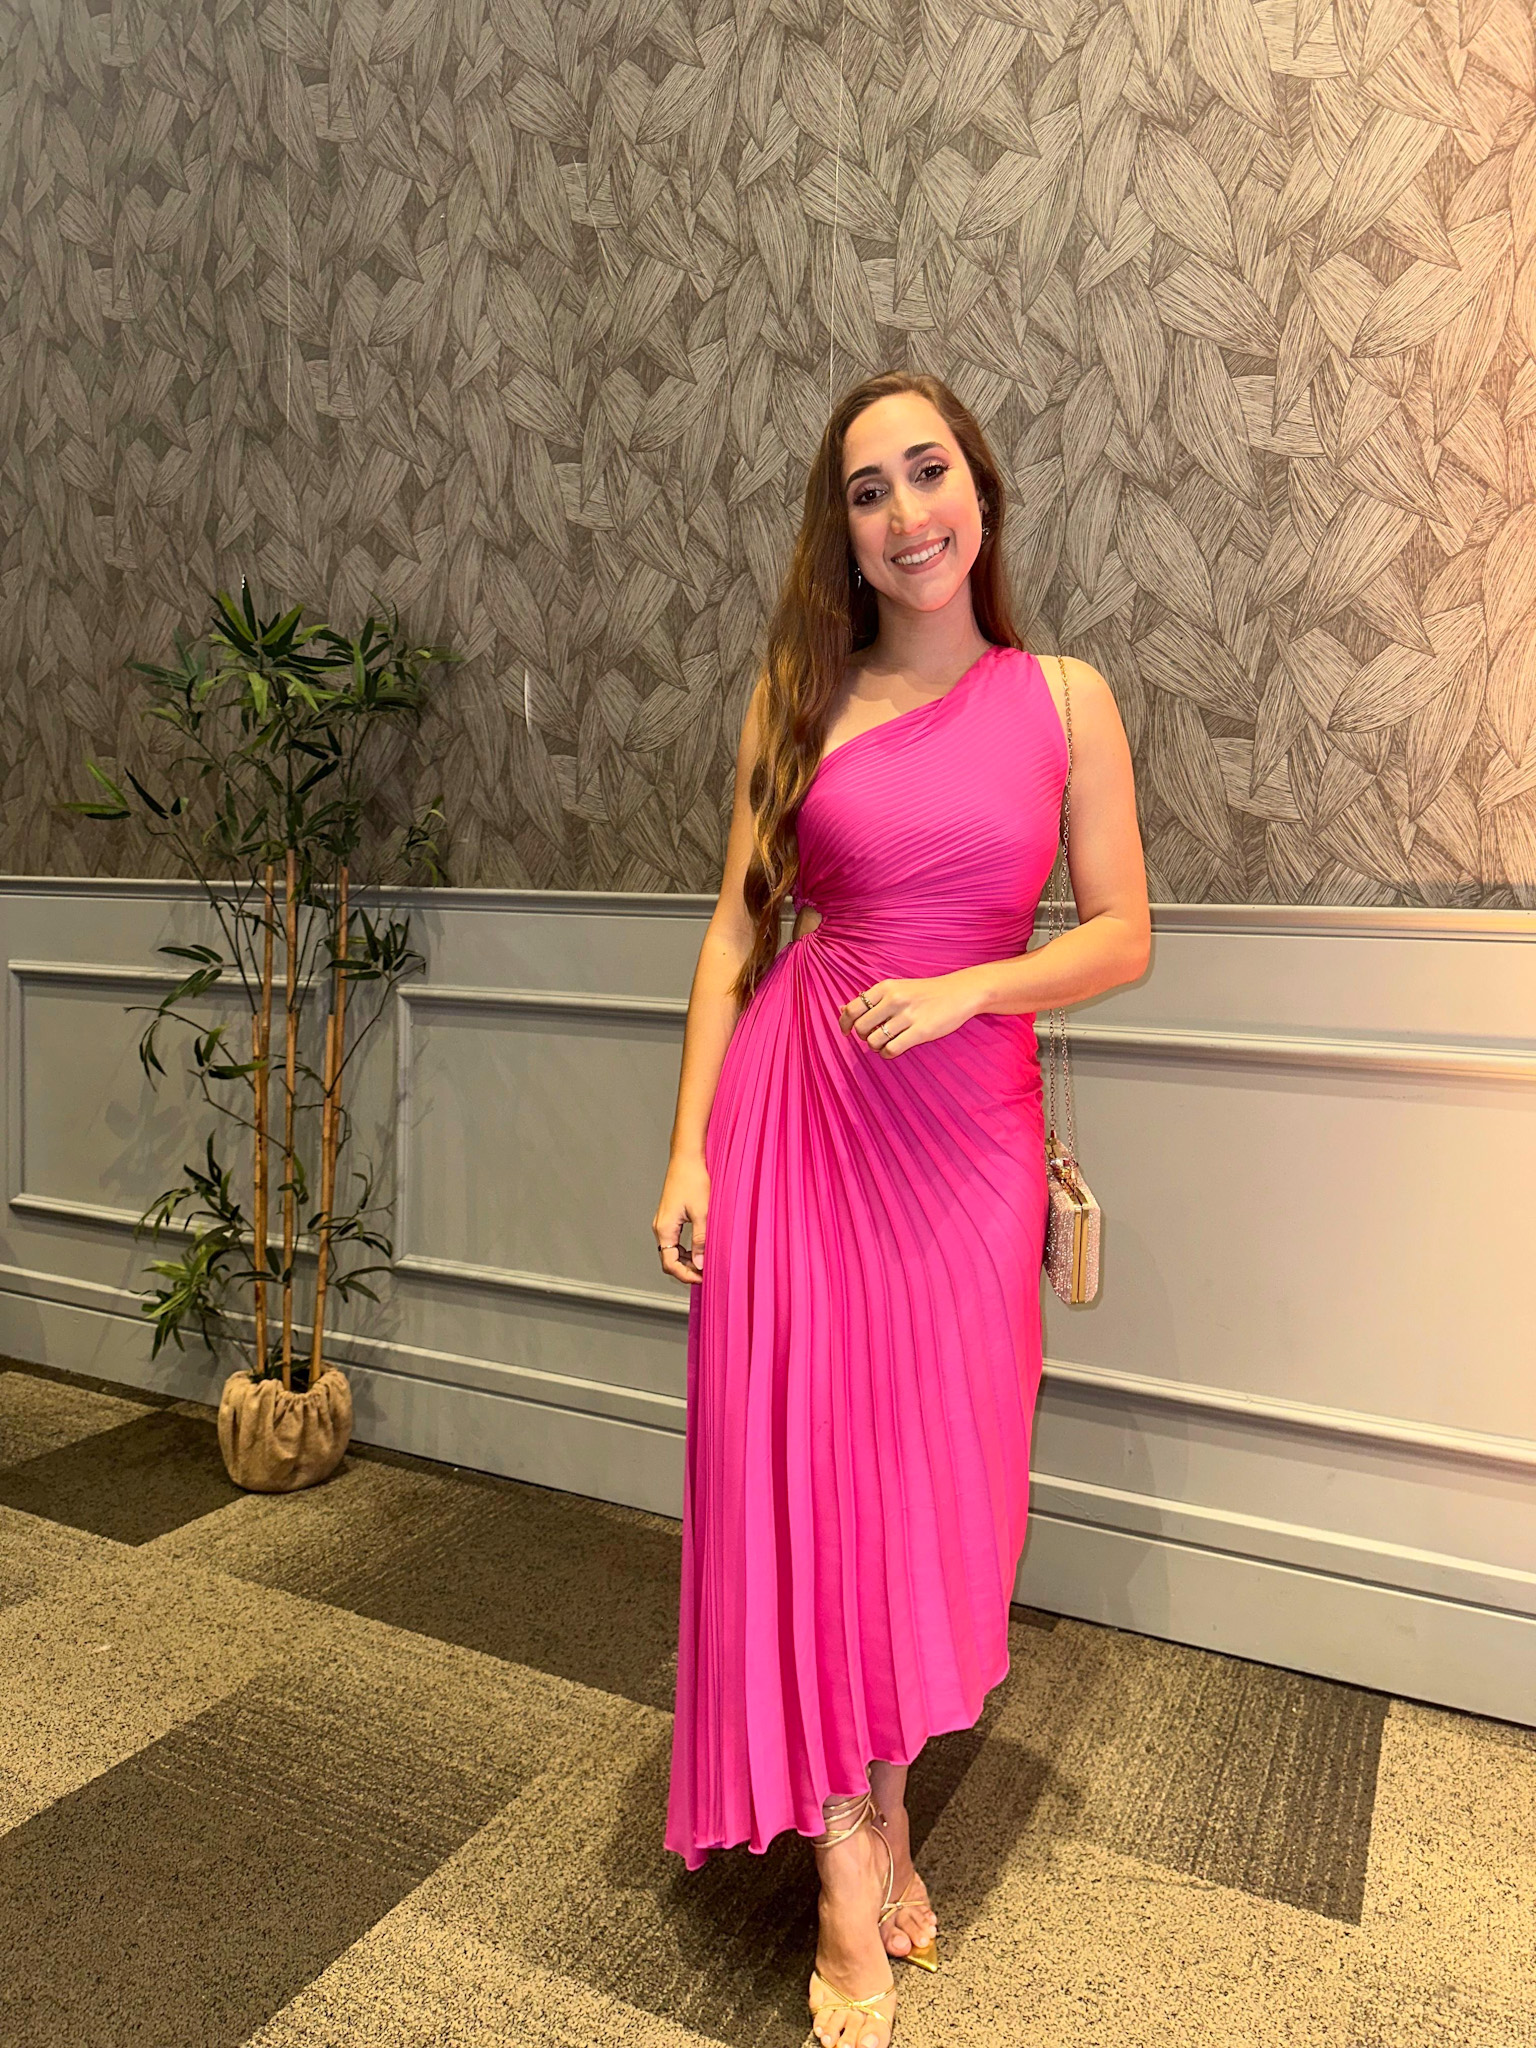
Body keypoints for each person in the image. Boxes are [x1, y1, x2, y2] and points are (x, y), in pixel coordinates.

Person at [651, 370, 1151, 2048]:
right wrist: (688, 1150)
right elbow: (737, 934)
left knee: (934, 1493)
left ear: (980, 494)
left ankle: (885, 1791)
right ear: (844, 533)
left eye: (928, 473)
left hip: (965, 1138)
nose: (905, 514)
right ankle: (846, 1865)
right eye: (868, 492)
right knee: (810, 1489)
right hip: (800, 1121)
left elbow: (1123, 933)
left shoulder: (1065, 701)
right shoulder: (802, 694)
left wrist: (971, 990)